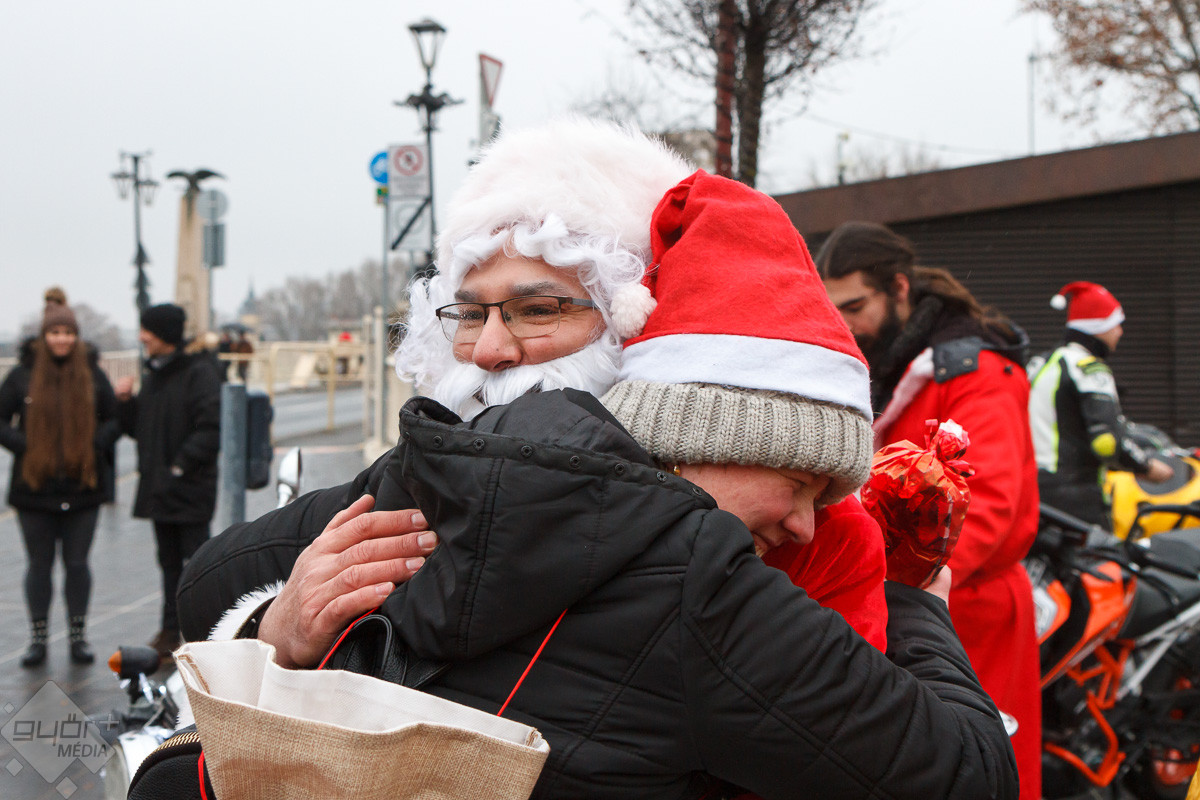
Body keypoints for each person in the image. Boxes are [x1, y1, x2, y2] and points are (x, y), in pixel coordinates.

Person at [177, 118, 886, 655]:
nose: (489, 350)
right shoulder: (423, 480)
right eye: (469, 314)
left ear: (631, 323)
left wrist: (909, 603)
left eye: (537, 309)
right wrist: (272, 628)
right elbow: (205, 586)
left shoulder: (779, 525)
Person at [817, 221, 1041, 800]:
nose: (846, 324)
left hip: (965, 609)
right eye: (835, 309)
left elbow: (986, 507)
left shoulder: (976, 372)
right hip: (907, 602)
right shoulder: (891, 362)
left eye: (856, 306)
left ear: (899, 287)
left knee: (979, 773)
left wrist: (889, 587)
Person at [0, 288, 119, 667]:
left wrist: (94, 445)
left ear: (76, 336)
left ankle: (77, 637)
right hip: (34, 488)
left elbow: (115, 418)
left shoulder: (92, 374)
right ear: (43, 335)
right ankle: (38, 639)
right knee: (39, 566)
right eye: (55, 333)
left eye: (68, 333)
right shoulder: (21, 375)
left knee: (77, 564)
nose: (62, 339)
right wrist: (26, 446)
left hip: (82, 487)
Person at [115, 302, 222, 661]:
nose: (142, 337)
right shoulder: (155, 374)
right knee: (168, 562)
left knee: (197, 564)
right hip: (161, 490)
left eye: (147, 330)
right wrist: (125, 403)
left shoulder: (199, 373)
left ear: (164, 334)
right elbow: (140, 429)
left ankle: (203, 633)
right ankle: (169, 630)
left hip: (189, 488)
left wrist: (179, 467)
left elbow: (210, 428)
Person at [1028, 281, 1172, 527]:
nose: (1120, 332)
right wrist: (1147, 468)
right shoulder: (1088, 368)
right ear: (1097, 326)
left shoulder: (1040, 362)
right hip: (1075, 496)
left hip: (1030, 491)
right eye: (1116, 323)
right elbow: (1106, 441)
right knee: (1104, 553)